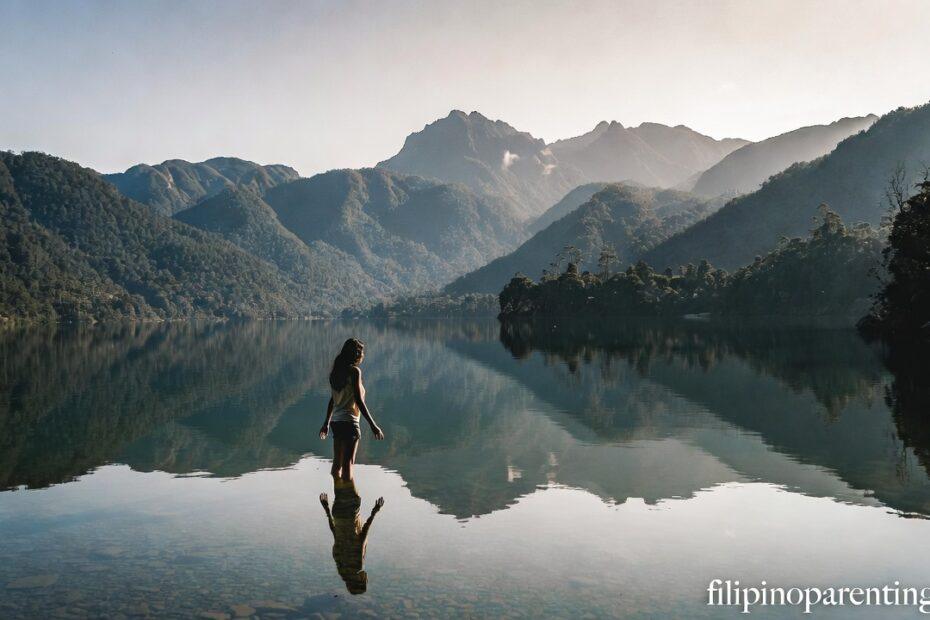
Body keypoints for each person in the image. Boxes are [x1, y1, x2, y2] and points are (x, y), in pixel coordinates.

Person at [320, 338, 384, 480]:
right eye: (361, 352)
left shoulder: (336, 373)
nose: (363, 355)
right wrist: (373, 425)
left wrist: (327, 423)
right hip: (350, 422)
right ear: (355, 354)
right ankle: (348, 492)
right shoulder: (354, 372)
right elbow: (359, 401)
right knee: (348, 464)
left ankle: (338, 491)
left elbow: (333, 399)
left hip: (336, 422)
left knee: (337, 464)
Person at [319, 480, 384, 594]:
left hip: (352, 512)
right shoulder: (340, 564)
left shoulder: (358, 564)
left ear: (359, 580)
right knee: (337, 477)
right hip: (337, 513)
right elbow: (335, 532)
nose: (366, 579)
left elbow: (364, 533)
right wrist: (327, 510)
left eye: (364, 581)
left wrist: (374, 512)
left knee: (348, 476)